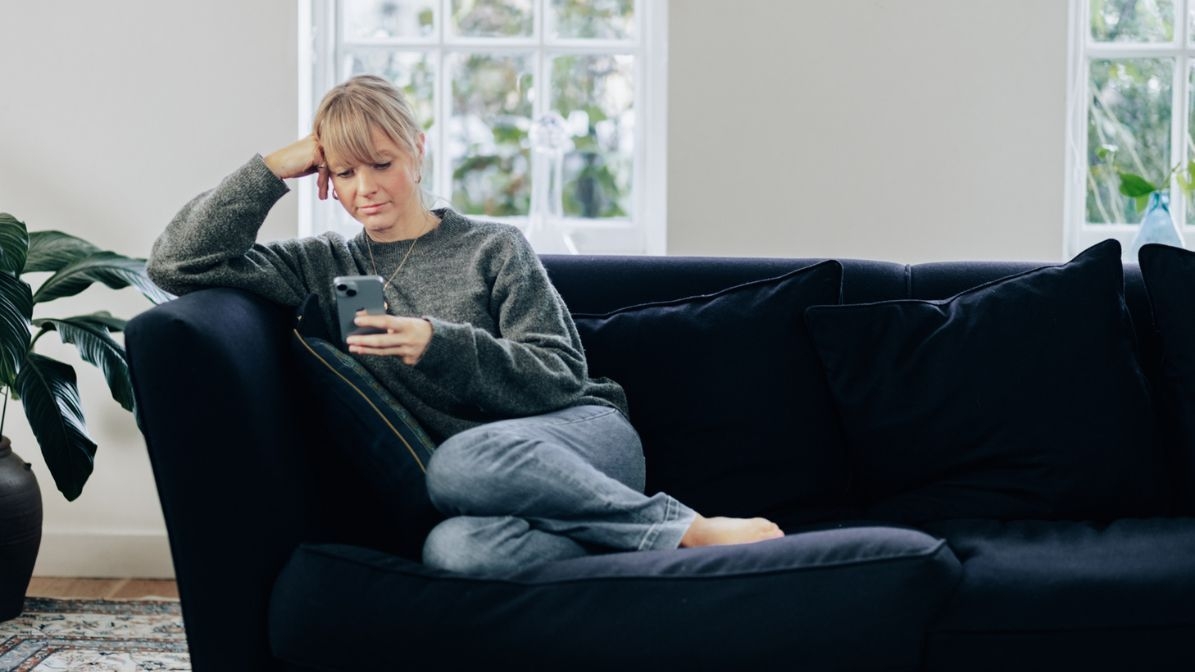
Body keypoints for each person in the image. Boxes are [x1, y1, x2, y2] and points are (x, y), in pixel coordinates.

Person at [148, 74, 783, 575]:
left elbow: (560, 377)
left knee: (457, 463)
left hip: (579, 440)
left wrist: (439, 343)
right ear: (327, 182)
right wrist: (272, 169)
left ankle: (687, 529)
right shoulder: (324, 266)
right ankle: (632, 554)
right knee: (458, 552)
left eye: (381, 163)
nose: (365, 188)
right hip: (480, 492)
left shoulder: (494, 247)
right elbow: (176, 261)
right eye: (344, 172)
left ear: (418, 153)